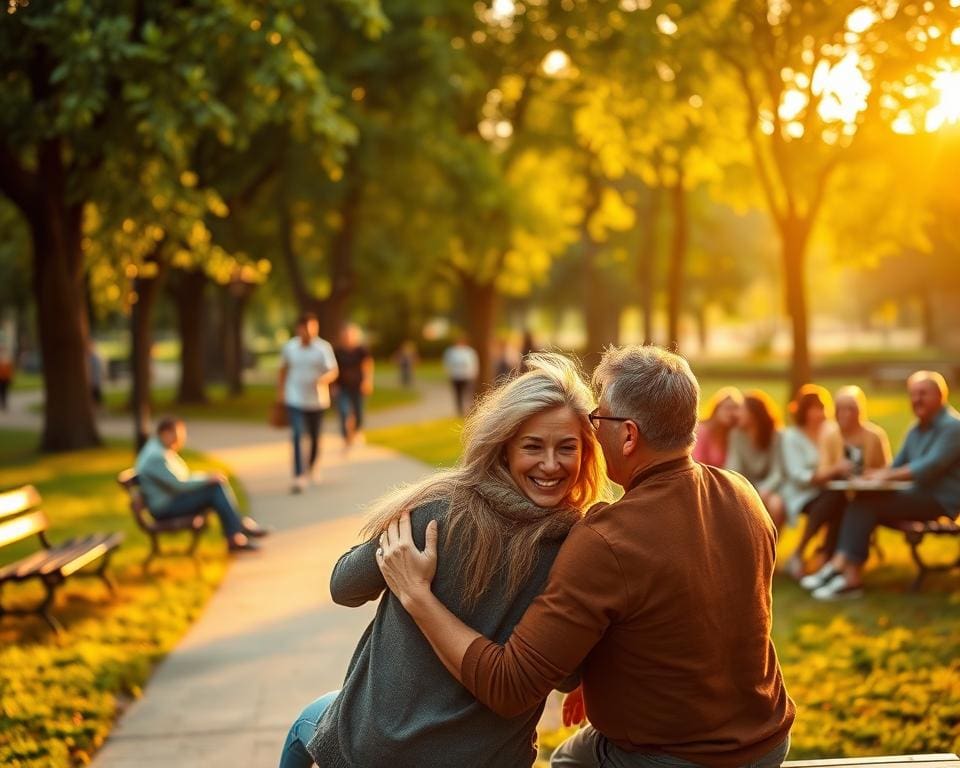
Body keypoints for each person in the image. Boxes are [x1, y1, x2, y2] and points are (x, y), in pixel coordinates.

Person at [377, 345, 794, 768]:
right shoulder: (743, 495)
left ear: (629, 435)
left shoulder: (608, 538)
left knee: (567, 761)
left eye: (600, 418)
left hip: (673, 758)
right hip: (767, 742)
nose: (594, 429)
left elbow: (509, 686)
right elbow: (684, 610)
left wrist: (417, 596)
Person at [278, 353, 609, 768]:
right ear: (504, 449)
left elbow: (343, 587)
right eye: (533, 446)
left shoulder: (436, 511)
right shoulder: (579, 549)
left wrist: (397, 566)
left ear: (586, 454)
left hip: (379, 751)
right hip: (490, 760)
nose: (549, 464)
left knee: (307, 724)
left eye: (566, 448)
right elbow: (564, 675)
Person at [802, 371, 960, 600]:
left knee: (866, 505)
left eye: (923, 393)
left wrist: (883, 478)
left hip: (941, 501)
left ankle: (846, 574)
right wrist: (869, 477)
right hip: (917, 496)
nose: (917, 399)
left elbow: (928, 468)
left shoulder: (953, 427)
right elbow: (894, 467)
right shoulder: (916, 430)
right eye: (913, 394)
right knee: (860, 500)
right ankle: (843, 568)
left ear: (940, 395)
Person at [135, 417, 267, 552]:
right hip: (165, 508)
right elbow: (180, 484)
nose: (180, 441)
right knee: (214, 489)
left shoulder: (158, 448)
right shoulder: (157, 456)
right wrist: (207, 479)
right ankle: (237, 531)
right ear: (165, 433)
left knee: (214, 487)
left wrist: (207, 477)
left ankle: (236, 531)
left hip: (170, 501)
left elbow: (182, 478)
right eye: (177, 436)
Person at [779, 385, 853, 580]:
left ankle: (827, 556)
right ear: (804, 411)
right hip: (801, 493)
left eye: (822, 408)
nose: (820, 413)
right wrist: (834, 470)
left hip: (830, 489)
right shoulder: (791, 437)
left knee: (839, 500)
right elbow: (797, 475)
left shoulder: (831, 432)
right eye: (814, 408)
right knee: (833, 500)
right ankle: (802, 553)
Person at [277, 313, 338, 493]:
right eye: (306, 329)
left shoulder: (323, 348)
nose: (310, 333)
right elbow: (283, 369)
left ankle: (311, 465)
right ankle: (298, 475)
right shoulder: (290, 347)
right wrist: (280, 393)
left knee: (315, 437)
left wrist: (323, 379)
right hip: (294, 398)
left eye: (313, 329)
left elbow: (333, 371)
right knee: (297, 435)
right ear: (299, 329)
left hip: (317, 400)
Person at [725, 389, 786, 527]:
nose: (736, 414)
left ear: (753, 414)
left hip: (771, 488)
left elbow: (778, 471)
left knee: (776, 505)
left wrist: (764, 489)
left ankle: (772, 545)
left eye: (741, 409)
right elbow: (733, 466)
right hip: (747, 486)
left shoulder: (776, 436)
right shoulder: (735, 435)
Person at [333, 323, 374, 450]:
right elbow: (333, 369)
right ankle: (346, 437)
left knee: (359, 411)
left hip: (358, 386)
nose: (347, 337)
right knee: (343, 412)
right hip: (342, 387)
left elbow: (368, 365)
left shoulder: (361, 350)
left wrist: (367, 381)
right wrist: (333, 385)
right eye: (345, 335)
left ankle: (357, 431)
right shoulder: (337, 351)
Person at [691, 386, 743, 467]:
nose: (731, 413)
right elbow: (698, 462)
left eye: (735, 409)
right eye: (728, 408)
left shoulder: (733, 433)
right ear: (717, 409)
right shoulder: (702, 430)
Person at [442, 336, 479, 416]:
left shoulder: (469, 352)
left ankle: (468, 408)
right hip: (456, 376)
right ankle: (460, 410)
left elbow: (473, 363)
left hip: (467, 376)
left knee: (467, 393)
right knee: (457, 393)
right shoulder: (451, 352)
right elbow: (447, 364)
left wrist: (473, 373)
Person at [88, 339, 104, 406]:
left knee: (96, 396)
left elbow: (101, 369)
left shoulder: (96, 357)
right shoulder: (90, 357)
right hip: (92, 381)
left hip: (95, 380)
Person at [0, 345, 13, 411]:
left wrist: (10, 378)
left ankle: (4, 404)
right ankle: (3, 404)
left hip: (5, 379)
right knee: (2, 392)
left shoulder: (7, 360)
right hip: (1, 379)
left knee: (4, 392)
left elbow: (10, 370)